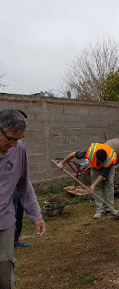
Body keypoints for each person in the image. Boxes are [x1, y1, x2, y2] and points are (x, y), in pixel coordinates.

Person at [0, 109, 46, 288]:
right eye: (11, 138)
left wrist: (36, 215)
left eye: (19, 139)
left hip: (4, 222)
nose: (14, 144)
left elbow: (23, 185)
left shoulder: (18, 150)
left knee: (4, 275)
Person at [58, 142, 118, 219]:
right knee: (97, 187)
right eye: (101, 162)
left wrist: (93, 185)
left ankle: (109, 209)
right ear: (96, 158)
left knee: (109, 184)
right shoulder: (89, 153)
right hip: (94, 166)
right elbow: (73, 154)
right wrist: (62, 163)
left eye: (103, 162)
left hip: (109, 166)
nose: (102, 163)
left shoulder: (109, 159)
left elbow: (103, 175)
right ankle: (100, 210)